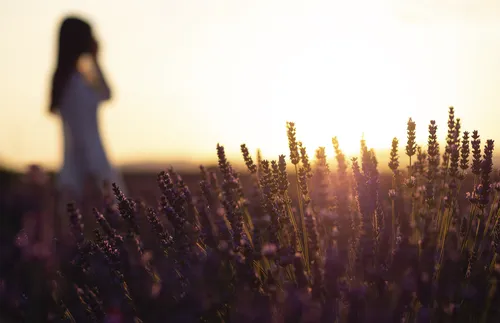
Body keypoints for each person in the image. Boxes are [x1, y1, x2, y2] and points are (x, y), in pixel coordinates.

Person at [48, 16, 127, 236]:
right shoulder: (76, 83)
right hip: (91, 170)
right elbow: (82, 135)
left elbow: (107, 94)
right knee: (105, 241)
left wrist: (95, 60)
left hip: (74, 171)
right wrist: (93, 176)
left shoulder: (68, 79)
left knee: (81, 245)